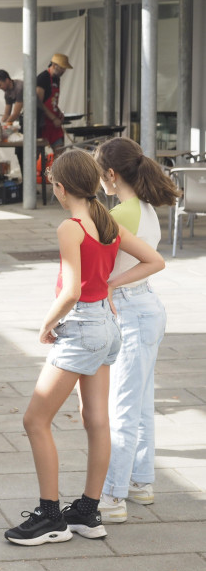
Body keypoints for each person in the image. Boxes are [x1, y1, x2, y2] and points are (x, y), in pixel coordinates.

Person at [4, 149, 164, 547]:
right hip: (109, 327)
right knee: (96, 420)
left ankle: (50, 516)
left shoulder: (71, 227)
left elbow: (72, 291)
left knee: (34, 420)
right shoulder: (106, 220)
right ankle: (89, 511)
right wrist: (109, 285)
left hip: (82, 328)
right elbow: (155, 261)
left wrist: (46, 324)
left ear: (59, 187)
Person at [95, 138, 179, 523]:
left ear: (111, 175)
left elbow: (148, 262)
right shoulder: (143, 208)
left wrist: (111, 284)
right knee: (140, 403)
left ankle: (112, 497)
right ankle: (140, 482)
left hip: (131, 309)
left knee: (124, 408)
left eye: (100, 173)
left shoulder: (120, 213)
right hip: (147, 308)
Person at [37, 53, 72, 154]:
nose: (64, 71)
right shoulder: (42, 78)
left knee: (60, 152)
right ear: (54, 65)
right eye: (62, 68)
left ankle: (59, 169)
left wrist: (59, 111)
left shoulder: (57, 78)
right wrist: (53, 118)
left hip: (54, 124)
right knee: (39, 155)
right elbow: (39, 103)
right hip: (43, 123)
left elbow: (53, 100)